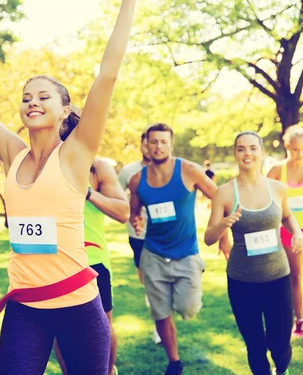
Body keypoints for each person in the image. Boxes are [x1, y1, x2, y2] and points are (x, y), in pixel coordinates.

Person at [0, 0, 138, 372]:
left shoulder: (76, 154)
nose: (32, 102)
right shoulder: (13, 154)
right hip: (25, 306)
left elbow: (107, 76)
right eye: (26, 98)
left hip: (79, 306)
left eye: (43, 96)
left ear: (65, 109)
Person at [127, 122, 229, 375]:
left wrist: (223, 235)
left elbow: (220, 198)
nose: (158, 146)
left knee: (188, 308)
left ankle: (186, 290)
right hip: (153, 255)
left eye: (163, 141)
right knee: (160, 313)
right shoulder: (138, 180)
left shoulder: (190, 171)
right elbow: (133, 210)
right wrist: (136, 220)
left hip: (186, 254)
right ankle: (174, 362)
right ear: (146, 145)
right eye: (153, 142)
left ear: (171, 144)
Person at [205, 131, 303, 375]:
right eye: (241, 149)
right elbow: (208, 238)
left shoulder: (277, 188)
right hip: (242, 281)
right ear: (235, 153)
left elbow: (287, 215)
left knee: (280, 344)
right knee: (255, 345)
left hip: (277, 277)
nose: (247, 153)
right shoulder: (225, 193)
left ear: (261, 152)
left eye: (252, 148)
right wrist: (225, 223)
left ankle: (282, 369)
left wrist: (297, 233)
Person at [53, 108, 130, 375]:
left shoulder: (98, 168)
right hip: (53, 262)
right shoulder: (39, 167)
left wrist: (87, 192)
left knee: (102, 325)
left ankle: (108, 371)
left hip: (92, 262)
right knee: (58, 330)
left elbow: (123, 212)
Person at [117, 132, 161, 344]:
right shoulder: (129, 171)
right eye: (147, 142)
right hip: (138, 235)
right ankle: (159, 319)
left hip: (165, 234)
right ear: (143, 145)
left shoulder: (168, 169)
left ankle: (160, 322)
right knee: (148, 281)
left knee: (160, 279)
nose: (151, 146)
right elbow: (114, 196)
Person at [267, 125, 303, 337]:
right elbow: (263, 198)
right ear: (287, 146)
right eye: (296, 149)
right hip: (289, 230)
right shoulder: (276, 170)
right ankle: (299, 319)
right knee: (296, 276)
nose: (300, 154)